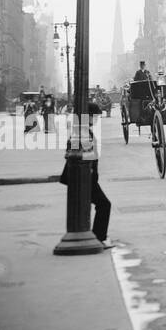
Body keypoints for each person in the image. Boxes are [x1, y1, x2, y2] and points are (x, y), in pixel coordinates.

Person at [59, 95, 111, 248]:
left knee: (98, 205)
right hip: (82, 177)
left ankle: (95, 236)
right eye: (95, 117)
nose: (96, 120)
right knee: (104, 205)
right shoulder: (81, 131)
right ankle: (98, 237)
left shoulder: (82, 130)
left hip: (84, 177)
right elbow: (73, 152)